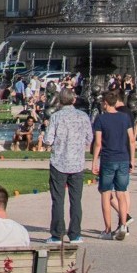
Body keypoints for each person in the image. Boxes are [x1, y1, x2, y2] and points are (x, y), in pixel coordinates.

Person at [43, 91, 91, 245]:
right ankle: (75, 234)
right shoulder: (83, 116)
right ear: (74, 100)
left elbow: (48, 140)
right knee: (76, 200)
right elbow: (89, 138)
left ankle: (57, 234)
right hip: (77, 163)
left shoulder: (56, 116)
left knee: (58, 200)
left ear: (60, 101)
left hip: (59, 161)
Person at [89, 93, 136, 240]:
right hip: (123, 158)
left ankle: (108, 230)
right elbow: (132, 140)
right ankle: (123, 225)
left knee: (106, 194)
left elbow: (98, 143)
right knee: (121, 193)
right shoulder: (125, 118)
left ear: (105, 103)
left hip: (108, 159)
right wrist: (132, 160)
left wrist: (94, 162)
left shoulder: (101, 119)